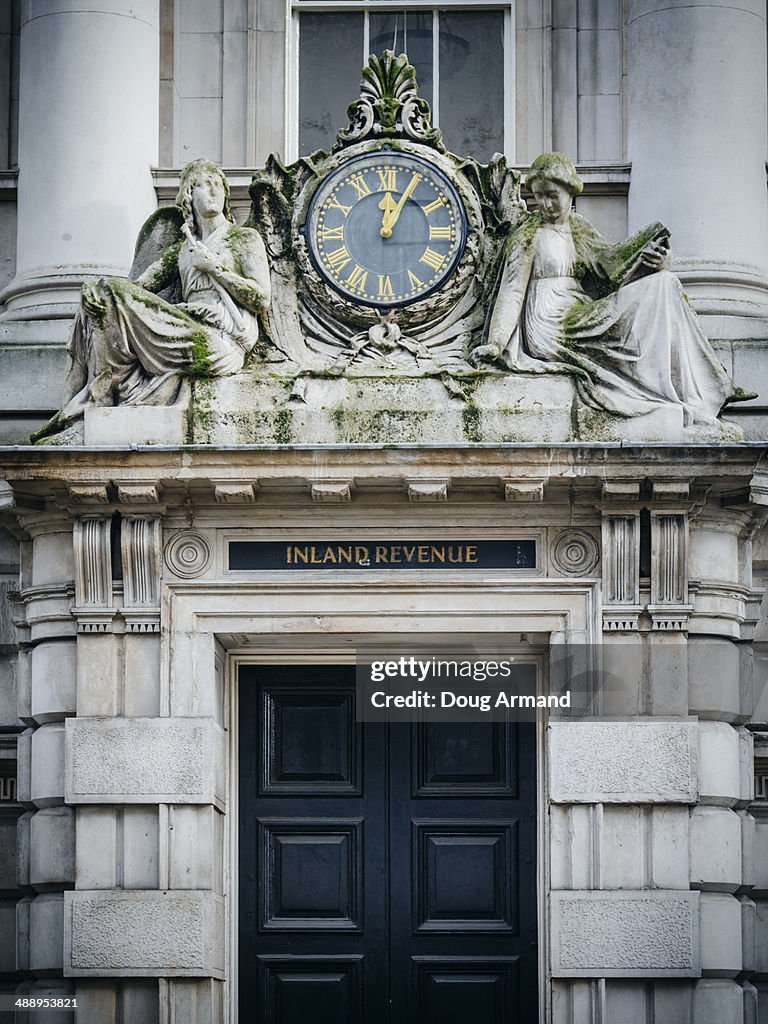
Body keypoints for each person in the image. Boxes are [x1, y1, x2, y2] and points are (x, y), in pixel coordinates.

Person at [470, 151, 743, 426]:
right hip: (550, 324)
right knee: (656, 295)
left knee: (665, 283)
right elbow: (513, 290)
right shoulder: (528, 234)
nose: (546, 203)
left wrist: (658, 264)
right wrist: (496, 342)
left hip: (579, 310)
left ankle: (696, 395)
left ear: (569, 189)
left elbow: (610, 272)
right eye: (539, 196)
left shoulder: (580, 228)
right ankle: (677, 397)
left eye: (552, 194)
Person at [35, 158, 271, 439]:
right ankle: (81, 407)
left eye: (217, 184)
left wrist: (214, 269)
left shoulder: (243, 239)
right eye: (203, 185)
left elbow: (261, 299)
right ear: (188, 196)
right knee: (101, 298)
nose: (213, 191)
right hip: (187, 325)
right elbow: (136, 289)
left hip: (221, 340)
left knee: (108, 294)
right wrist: (96, 292)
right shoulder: (183, 249)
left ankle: (97, 399)